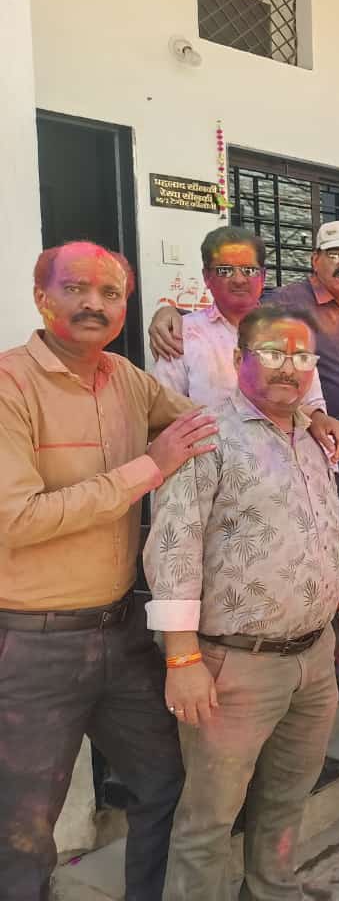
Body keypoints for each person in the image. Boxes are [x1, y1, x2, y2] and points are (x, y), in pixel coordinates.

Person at [0, 242, 213, 901]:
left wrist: (307, 415)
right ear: (42, 297)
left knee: (164, 785)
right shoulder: (9, 385)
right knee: (23, 831)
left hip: (121, 632)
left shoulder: (126, 377)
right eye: (76, 288)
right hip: (33, 645)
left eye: (111, 293)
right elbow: (16, 520)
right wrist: (149, 468)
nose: (94, 304)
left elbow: (209, 426)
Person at [143, 304, 339, 901]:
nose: (288, 368)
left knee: (287, 799)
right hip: (233, 666)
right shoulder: (204, 435)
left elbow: (322, 529)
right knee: (209, 820)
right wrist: (182, 658)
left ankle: (272, 890)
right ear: (239, 359)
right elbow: (174, 547)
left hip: (313, 659)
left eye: (301, 356)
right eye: (272, 353)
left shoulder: (314, 436)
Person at [268, 221, 339, 694]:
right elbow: (235, 325)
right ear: (315, 259)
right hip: (303, 443)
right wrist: (170, 313)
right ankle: (304, 671)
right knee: (307, 547)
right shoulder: (286, 302)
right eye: (335, 254)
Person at [148, 225, 339, 461]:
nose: (239, 279)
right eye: (225, 270)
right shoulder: (181, 335)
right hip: (212, 469)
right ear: (206, 277)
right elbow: (164, 417)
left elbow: (310, 399)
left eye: (249, 270)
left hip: (282, 466)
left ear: (263, 276)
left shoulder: (289, 331)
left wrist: (319, 417)